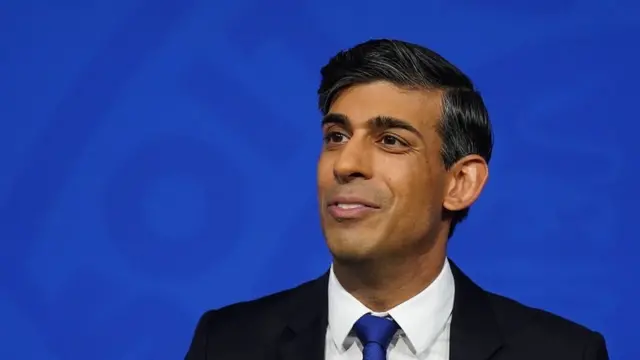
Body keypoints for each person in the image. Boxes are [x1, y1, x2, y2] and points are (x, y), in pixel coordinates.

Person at [184, 39, 609, 360]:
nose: (346, 163)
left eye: (390, 140)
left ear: (460, 182)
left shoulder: (562, 353)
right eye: (336, 137)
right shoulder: (225, 343)